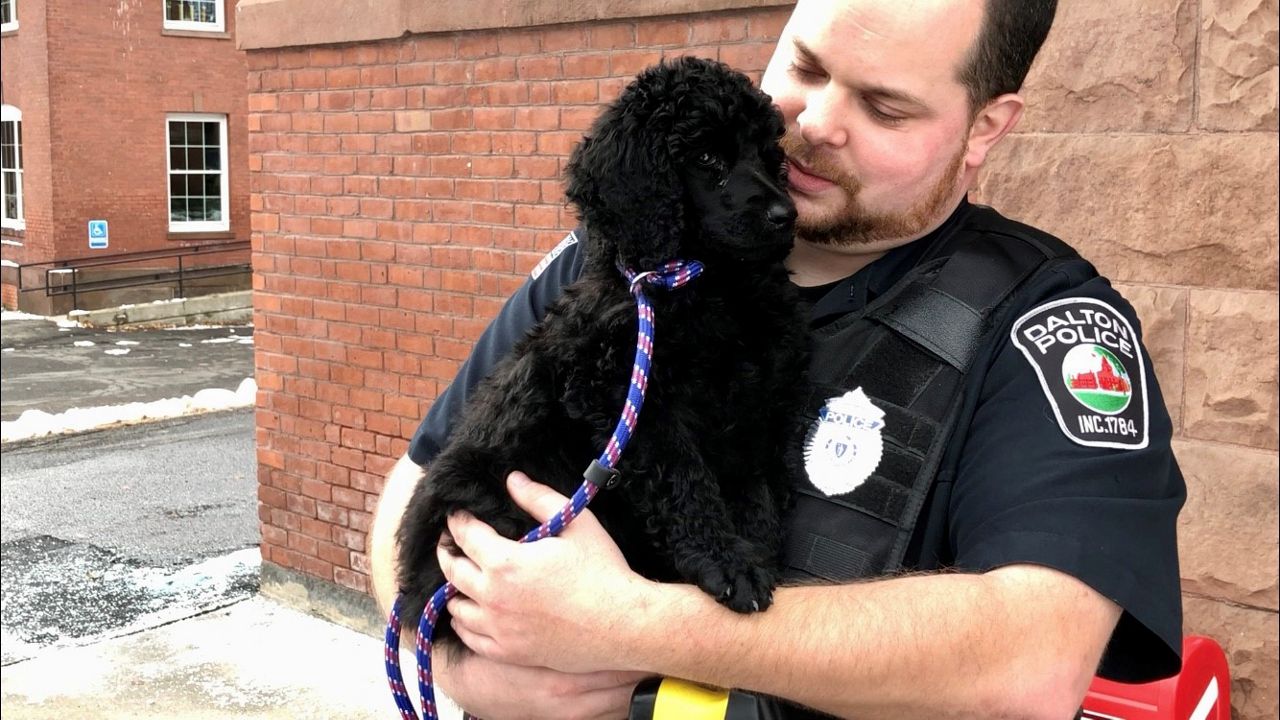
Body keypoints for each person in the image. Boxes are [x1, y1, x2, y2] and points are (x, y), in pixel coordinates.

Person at [369, 0, 1186, 717]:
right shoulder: (623, 260)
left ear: (985, 128)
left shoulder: (1042, 325)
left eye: (884, 106)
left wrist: (627, 627)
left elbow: (1033, 663)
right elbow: (415, 491)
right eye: (805, 64)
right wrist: (461, 670)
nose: (817, 122)